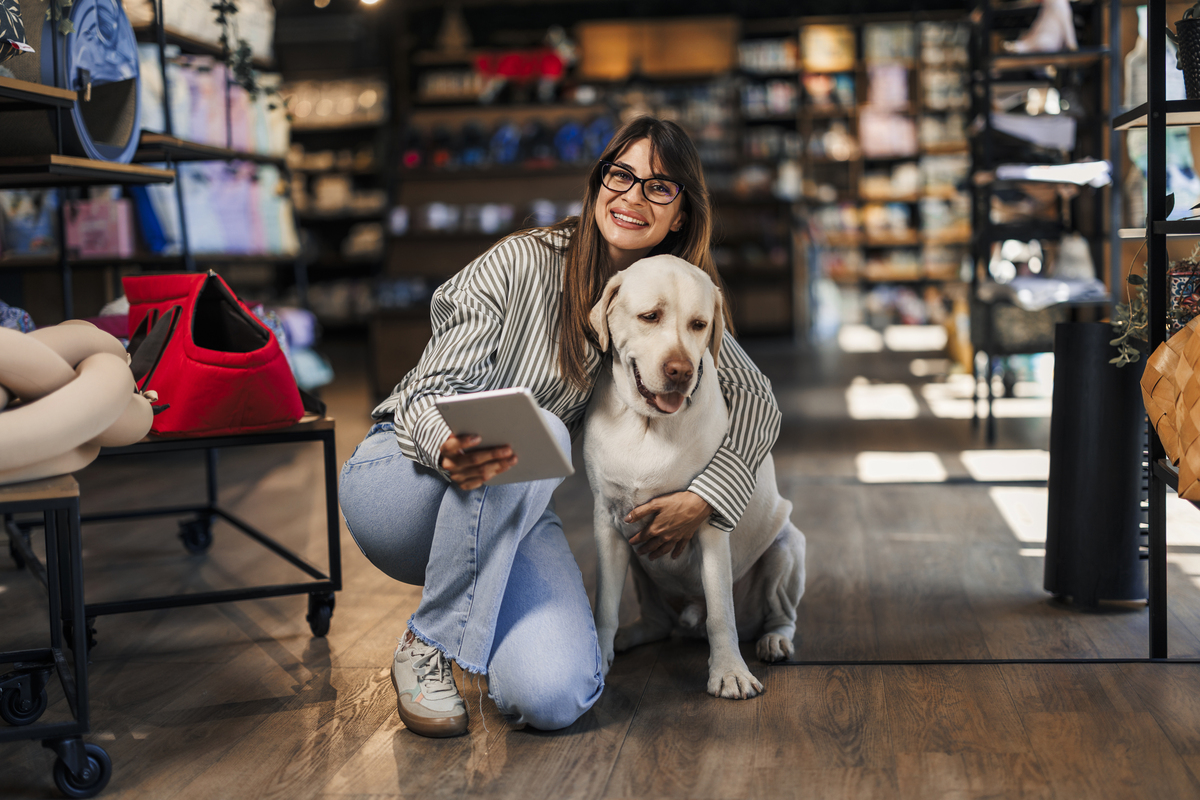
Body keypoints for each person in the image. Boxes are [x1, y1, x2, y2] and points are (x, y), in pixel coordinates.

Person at [338, 116, 782, 737]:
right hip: (407, 480)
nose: (632, 196)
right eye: (620, 175)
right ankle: (430, 643)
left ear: (681, 214)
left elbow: (757, 399)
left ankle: (482, 627)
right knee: (536, 427)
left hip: (506, 507)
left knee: (555, 695)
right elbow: (427, 390)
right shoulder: (520, 261)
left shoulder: (670, 295)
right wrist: (447, 444)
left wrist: (707, 496)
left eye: (659, 187)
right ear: (598, 183)